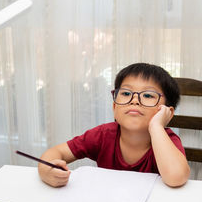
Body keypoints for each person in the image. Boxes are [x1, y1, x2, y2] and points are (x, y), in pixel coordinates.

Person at [38, 63, 190, 187]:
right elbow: (56, 152)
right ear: (114, 107)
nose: (134, 100)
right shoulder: (103, 135)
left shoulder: (167, 140)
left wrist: (157, 126)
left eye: (148, 95)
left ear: (166, 112)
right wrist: (46, 170)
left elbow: (176, 178)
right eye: (125, 93)